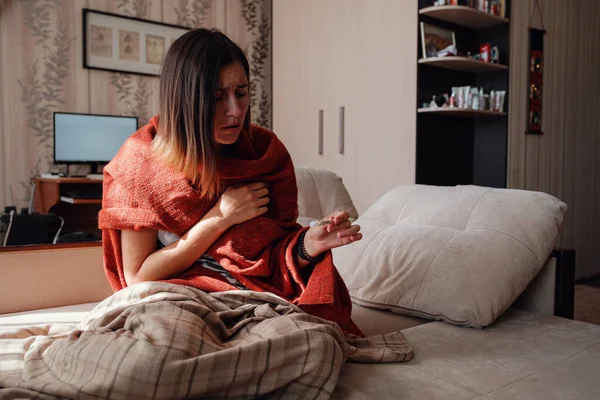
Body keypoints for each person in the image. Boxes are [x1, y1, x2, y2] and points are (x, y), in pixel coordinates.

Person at [98, 28, 363, 335]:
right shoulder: (140, 163)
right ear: (184, 100)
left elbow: (270, 263)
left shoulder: (264, 154)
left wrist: (308, 245)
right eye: (217, 96)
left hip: (255, 299)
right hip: (178, 298)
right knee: (171, 339)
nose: (236, 111)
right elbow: (138, 277)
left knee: (316, 337)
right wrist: (220, 217)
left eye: (241, 92)